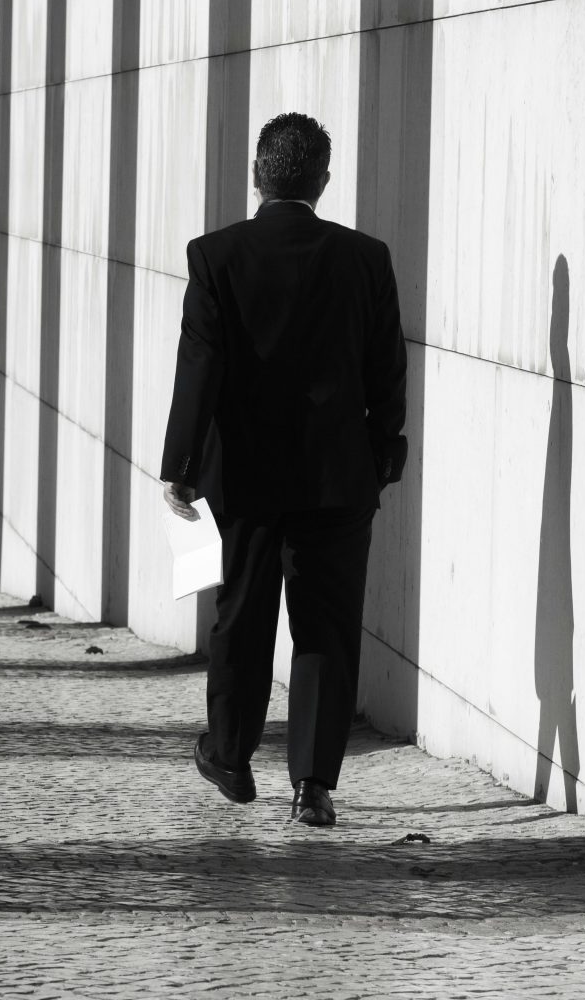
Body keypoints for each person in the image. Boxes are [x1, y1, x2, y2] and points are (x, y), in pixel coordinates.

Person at [159, 112, 407, 828]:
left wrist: (179, 464)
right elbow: (387, 367)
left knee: (243, 612)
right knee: (326, 626)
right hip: (338, 478)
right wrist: (386, 450)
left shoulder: (215, 256)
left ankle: (231, 758)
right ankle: (314, 786)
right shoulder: (367, 258)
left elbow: (199, 367)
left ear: (255, 175)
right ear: (323, 181)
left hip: (245, 477)